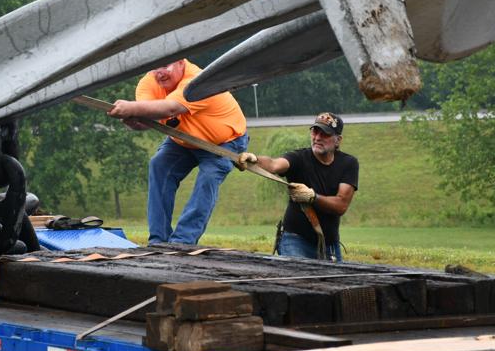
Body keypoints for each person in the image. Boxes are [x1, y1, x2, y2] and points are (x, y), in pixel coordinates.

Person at [107, 59, 248, 245]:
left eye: (165, 66)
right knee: (159, 165)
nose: (159, 73)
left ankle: (183, 241)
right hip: (183, 139)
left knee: (209, 177)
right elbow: (148, 118)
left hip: (223, 142)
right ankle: (159, 239)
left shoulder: (198, 81)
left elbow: (172, 107)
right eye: (155, 67)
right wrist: (133, 121)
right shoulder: (148, 83)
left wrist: (131, 108)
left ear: (181, 62)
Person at [237, 112, 358, 261]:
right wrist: (254, 159)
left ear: (338, 140)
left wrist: (312, 197)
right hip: (295, 240)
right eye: (315, 131)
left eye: (325, 134)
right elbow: (274, 164)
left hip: (329, 245)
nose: (318, 137)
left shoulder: (348, 164)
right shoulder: (298, 158)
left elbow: (341, 205)